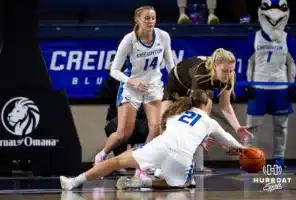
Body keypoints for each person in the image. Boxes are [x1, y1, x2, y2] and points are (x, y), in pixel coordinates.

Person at [60, 89, 245, 191]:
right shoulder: (208, 120)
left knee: (115, 162)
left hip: (160, 146)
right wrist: (243, 150)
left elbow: (169, 132)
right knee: (184, 183)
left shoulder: (175, 114)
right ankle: (145, 182)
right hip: (181, 157)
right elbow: (228, 140)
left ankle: (74, 182)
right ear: (206, 105)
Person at [93, 5, 175, 179]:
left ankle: (142, 166)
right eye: (147, 18)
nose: (151, 21)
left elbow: (170, 63)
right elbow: (114, 70)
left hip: (153, 87)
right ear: (137, 19)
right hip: (131, 88)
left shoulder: (163, 36)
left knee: (157, 128)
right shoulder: (129, 40)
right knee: (123, 134)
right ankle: (101, 156)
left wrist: (175, 82)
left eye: (153, 18)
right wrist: (132, 81)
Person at [244, 0, 296, 169]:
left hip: (280, 89)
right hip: (259, 89)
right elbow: (248, 63)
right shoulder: (254, 37)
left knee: (281, 127)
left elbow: (293, 64)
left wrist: (291, 85)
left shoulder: (288, 39)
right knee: (252, 127)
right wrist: (248, 84)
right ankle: (250, 159)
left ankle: (279, 159)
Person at [161, 48, 253, 142]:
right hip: (176, 83)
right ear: (214, 66)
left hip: (197, 86)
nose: (228, 75)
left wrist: (237, 127)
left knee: (206, 104)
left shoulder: (230, 75)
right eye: (224, 71)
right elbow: (194, 107)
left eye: (231, 70)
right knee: (164, 125)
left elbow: (225, 105)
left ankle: (198, 139)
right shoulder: (201, 74)